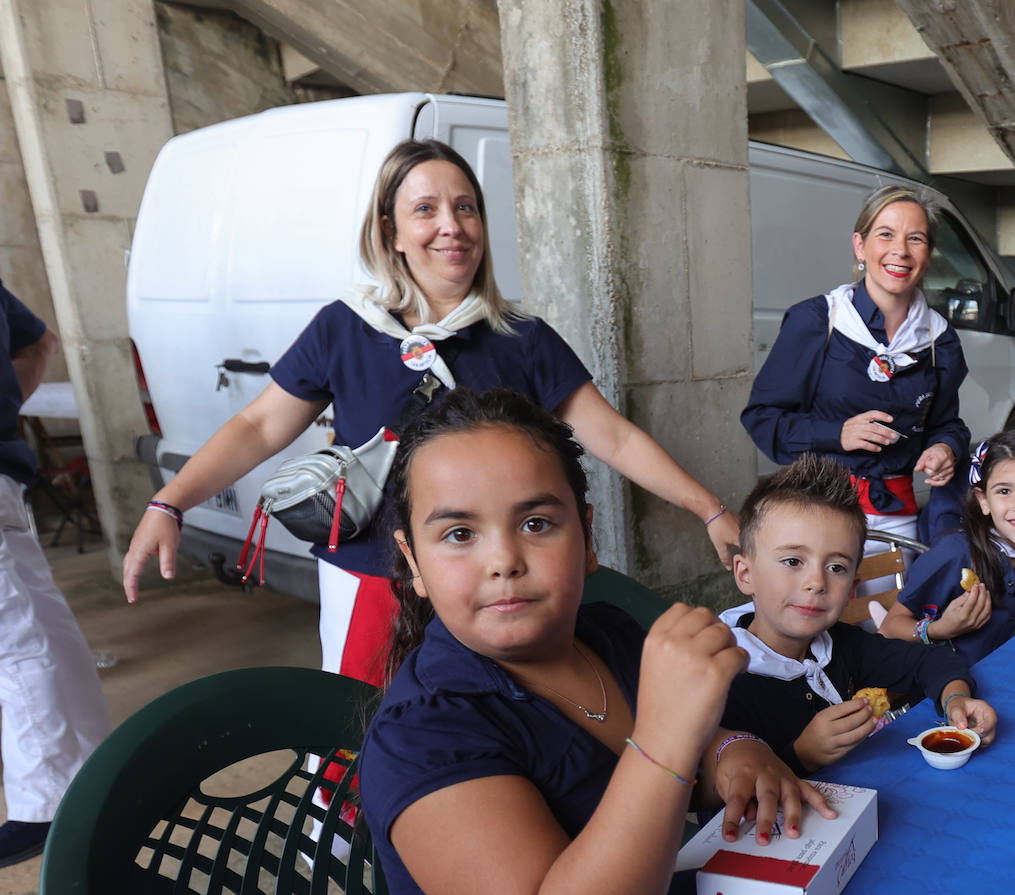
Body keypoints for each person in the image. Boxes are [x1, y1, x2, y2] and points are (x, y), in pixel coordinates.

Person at [122, 139, 740, 686]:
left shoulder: (521, 336)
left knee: (498, 721)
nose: (452, 226)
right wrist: (169, 501)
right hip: (372, 576)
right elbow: (258, 425)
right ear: (390, 231)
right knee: (355, 733)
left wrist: (707, 508)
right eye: (426, 209)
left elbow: (616, 438)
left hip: (495, 576)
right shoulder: (346, 328)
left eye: (465, 207)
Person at [359, 387, 832, 895]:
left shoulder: (604, 635)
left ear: (587, 536)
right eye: (460, 534)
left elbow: (681, 763)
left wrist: (733, 751)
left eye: (536, 524)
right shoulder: (426, 735)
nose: (503, 561)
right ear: (414, 564)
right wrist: (671, 739)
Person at [741, 183, 971, 576]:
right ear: (860, 246)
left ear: (927, 255)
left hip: (896, 515)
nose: (900, 250)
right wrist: (837, 433)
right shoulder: (818, 322)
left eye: (914, 239)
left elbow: (948, 424)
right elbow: (762, 418)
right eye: (886, 234)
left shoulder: (938, 340)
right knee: (815, 626)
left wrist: (944, 448)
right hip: (816, 511)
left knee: (888, 629)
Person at [718, 454, 995, 776]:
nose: (816, 583)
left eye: (836, 567)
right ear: (745, 573)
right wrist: (802, 756)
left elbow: (931, 661)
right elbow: (714, 800)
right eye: (793, 561)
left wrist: (955, 700)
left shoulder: (840, 644)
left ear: (853, 585)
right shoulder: (721, 677)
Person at [0, 282, 111, 866]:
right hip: (4, 475)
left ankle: (41, 806)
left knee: (12, 643)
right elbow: (40, 341)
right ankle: (92, 768)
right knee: (43, 623)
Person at [879, 429, 1015, 663]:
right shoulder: (954, 554)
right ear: (984, 501)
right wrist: (940, 629)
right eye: (1004, 491)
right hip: (949, 691)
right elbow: (889, 627)